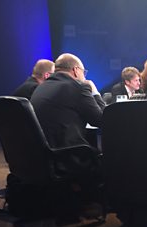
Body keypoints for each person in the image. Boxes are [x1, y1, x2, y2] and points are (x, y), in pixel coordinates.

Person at [31, 53, 105, 213]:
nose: (84, 76)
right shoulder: (78, 87)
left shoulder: (41, 87)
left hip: (41, 157)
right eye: (84, 72)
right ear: (76, 70)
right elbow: (102, 120)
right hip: (66, 157)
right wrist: (94, 91)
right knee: (105, 156)